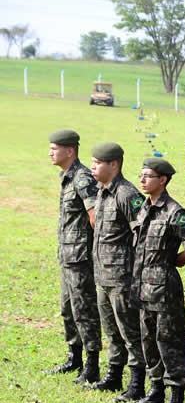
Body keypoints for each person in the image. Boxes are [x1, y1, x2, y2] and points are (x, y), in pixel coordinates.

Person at [130, 158, 185, 403]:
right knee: (149, 341)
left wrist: (177, 259)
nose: (143, 180)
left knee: (170, 342)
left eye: (148, 176)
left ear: (163, 180)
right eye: (142, 175)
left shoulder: (174, 212)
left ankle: (176, 400)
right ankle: (155, 392)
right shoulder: (144, 209)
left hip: (164, 289)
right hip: (142, 287)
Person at [89, 142, 147, 403]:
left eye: (98, 162)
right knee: (111, 330)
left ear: (113, 164)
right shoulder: (102, 193)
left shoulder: (126, 194)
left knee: (130, 331)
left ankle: (137, 382)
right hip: (103, 274)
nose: (93, 167)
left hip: (122, 277)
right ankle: (114, 375)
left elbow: (142, 232)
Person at [47, 129, 101, 383]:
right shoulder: (67, 177)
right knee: (68, 309)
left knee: (84, 309)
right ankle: (74, 357)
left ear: (70, 151)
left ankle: (92, 365)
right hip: (68, 256)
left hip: (81, 258)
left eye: (55, 148)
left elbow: (95, 216)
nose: (50, 152)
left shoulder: (82, 178)